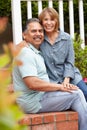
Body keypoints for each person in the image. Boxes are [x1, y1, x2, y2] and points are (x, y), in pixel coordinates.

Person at [12, 18, 87, 130]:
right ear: (24, 35)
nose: (38, 34)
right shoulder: (26, 53)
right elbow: (33, 83)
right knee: (76, 94)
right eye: (33, 31)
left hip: (39, 97)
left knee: (74, 93)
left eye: (40, 31)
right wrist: (61, 87)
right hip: (33, 101)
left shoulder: (35, 52)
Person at [38, 7, 87, 101]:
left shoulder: (66, 38)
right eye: (46, 19)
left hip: (70, 76)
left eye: (52, 19)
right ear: (41, 22)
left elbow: (70, 61)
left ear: (56, 21)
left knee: (85, 93)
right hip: (51, 80)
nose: (49, 23)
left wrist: (66, 79)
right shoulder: (40, 39)